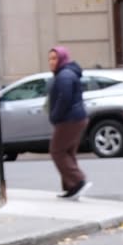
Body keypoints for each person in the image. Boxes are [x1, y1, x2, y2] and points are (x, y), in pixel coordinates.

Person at [46, 45, 89, 198]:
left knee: (57, 150)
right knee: (68, 152)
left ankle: (78, 181)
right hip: (76, 118)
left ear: (62, 59)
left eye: (54, 58)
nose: (51, 62)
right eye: (50, 59)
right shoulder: (66, 74)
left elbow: (64, 98)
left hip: (69, 119)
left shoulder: (64, 75)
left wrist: (55, 116)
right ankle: (71, 187)